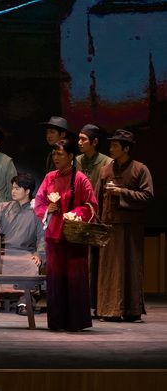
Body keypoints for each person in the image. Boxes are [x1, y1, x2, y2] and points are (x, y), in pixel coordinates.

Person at [34, 138, 98, 332]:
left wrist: (75, 213)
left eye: (60, 154)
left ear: (70, 156)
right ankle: (57, 322)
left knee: (75, 279)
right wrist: (49, 208)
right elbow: (39, 202)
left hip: (74, 236)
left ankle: (76, 322)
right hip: (54, 235)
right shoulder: (50, 177)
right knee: (55, 280)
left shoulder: (80, 179)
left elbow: (91, 205)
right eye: (54, 154)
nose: (56, 158)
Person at [97, 129, 153, 323]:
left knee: (131, 267)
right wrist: (98, 222)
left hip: (130, 227)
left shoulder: (140, 169)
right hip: (110, 225)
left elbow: (147, 196)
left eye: (115, 145)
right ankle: (109, 310)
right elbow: (98, 199)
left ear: (126, 148)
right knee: (109, 270)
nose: (111, 149)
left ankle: (131, 310)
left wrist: (122, 192)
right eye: (111, 145)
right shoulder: (105, 170)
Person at [0, 173, 45, 315]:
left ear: (27, 191)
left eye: (17, 188)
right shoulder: (4, 207)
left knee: (30, 265)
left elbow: (42, 237)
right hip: (1, 251)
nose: (13, 191)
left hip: (24, 252)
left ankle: (24, 301)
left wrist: (39, 254)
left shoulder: (37, 211)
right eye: (12, 188)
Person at [75, 123, 112, 317]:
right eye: (79, 138)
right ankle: (79, 302)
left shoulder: (107, 162)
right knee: (79, 262)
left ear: (95, 142)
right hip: (78, 218)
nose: (79, 142)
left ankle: (97, 303)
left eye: (83, 139)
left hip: (98, 219)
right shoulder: (77, 161)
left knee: (96, 263)